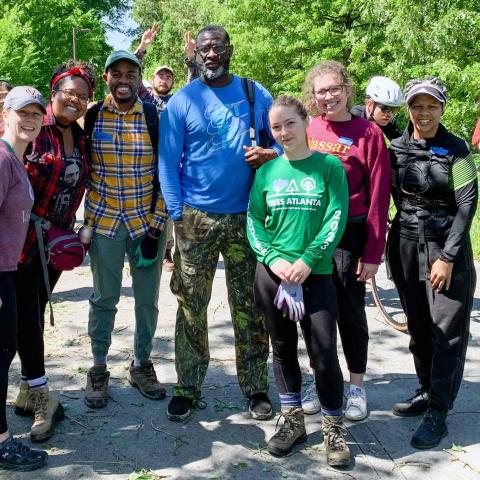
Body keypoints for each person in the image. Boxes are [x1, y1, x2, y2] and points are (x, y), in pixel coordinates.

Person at [158, 24, 281, 422]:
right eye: (204, 49)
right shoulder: (182, 101)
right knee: (191, 305)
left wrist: (271, 153)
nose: (211, 54)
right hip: (195, 217)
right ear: (196, 53)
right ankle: (188, 387)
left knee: (250, 306)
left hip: (247, 215)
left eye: (218, 47)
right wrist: (177, 214)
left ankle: (255, 387)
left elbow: (283, 138)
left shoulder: (253, 92)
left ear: (230, 49)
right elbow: (168, 162)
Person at [247, 95, 351, 466]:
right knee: (281, 347)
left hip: (316, 273)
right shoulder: (267, 172)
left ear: (306, 122)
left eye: (290, 123)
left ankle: (333, 429)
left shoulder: (328, 167)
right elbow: (254, 221)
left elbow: (337, 215)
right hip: (272, 277)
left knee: (324, 353)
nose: (284, 132)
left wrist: (308, 259)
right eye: (276, 127)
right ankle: (292, 420)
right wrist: (273, 259)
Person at [387, 77, 478, 449]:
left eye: (431, 106)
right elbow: (389, 192)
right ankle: (426, 391)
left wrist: (448, 257)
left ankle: (439, 412)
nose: (423, 113)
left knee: (447, 333)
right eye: (416, 106)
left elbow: (467, 205)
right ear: (408, 108)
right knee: (420, 328)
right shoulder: (395, 148)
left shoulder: (458, 150)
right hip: (406, 245)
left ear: (442, 108)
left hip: (446, 248)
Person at [302, 61, 391, 420]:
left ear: (347, 90)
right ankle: (321, 379)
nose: (328, 97)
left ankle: (356, 387)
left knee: (350, 313)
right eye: (321, 91)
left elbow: (380, 196)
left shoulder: (368, 134)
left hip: (351, 235)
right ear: (313, 95)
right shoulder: (308, 128)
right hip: (311, 236)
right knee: (313, 313)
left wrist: (373, 252)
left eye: (334, 89)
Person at [12, 63, 95, 443]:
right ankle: (40, 392)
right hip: (17, 240)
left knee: (31, 313)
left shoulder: (81, 139)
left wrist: (84, 227)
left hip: (54, 248)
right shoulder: (31, 126)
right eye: (68, 91)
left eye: (82, 94)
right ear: (54, 90)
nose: (74, 99)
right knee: (20, 317)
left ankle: (32, 389)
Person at [83, 50, 168, 409]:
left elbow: (167, 173)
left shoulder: (153, 116)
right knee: (104, 298)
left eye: (130, 74)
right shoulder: (91, 117)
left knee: (147, 302)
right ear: (106, 78)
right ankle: (99, 368)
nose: (123, 80)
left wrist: (158, 222)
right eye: (116, 73)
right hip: (104, 223)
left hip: (146, 224)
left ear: (139, 79)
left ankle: (141, 363)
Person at [0, 86, 48, 471]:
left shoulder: (18, 159)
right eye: (22, 112)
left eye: (36, 113)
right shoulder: (1, 159)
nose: (29, 119)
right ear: (5, 113)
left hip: (9, 269)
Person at [351, 76, 403, 141]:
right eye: (385, 108)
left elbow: (399, 144)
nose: (389, 114)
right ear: (370, 104)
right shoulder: (352, 117)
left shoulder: (387, 121)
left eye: (393, 109)